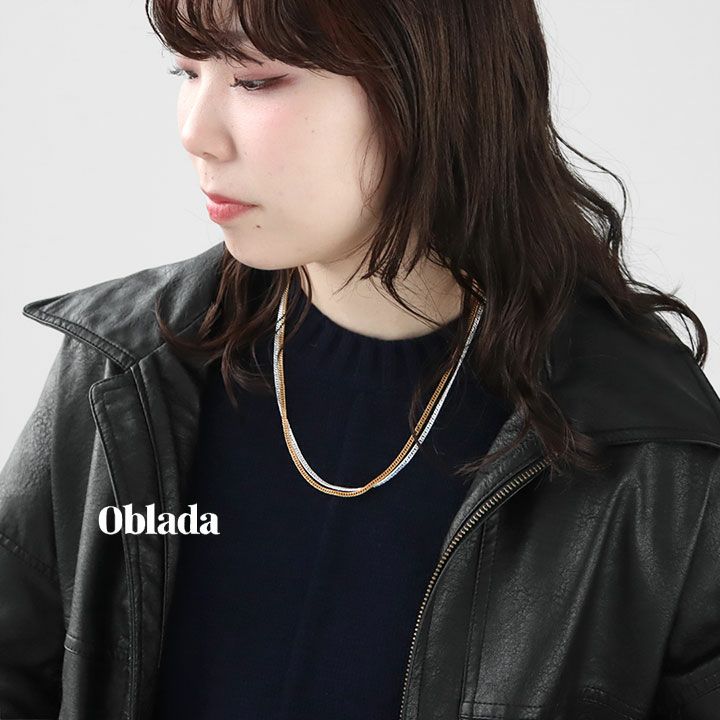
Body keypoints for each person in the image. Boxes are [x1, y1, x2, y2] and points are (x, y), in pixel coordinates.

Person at [1, 0, 719, 718]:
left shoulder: (650, 454)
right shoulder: (123, 372)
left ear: (431, 86)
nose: (195, 132)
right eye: (187, 71)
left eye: (255, 79)